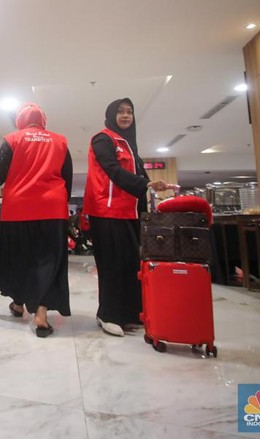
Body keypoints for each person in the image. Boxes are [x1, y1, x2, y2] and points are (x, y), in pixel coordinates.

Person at [83, 98, 166, 337]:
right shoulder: (103, 139)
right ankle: (108, 314)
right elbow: (112, 170)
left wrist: (151, 184)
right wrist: (144, 184)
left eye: (129, 112)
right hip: (106, 210)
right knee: (112, 264)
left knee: (130, 263)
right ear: (111, 115)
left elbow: (139, 171)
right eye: (121, 111)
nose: (126, 115)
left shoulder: (129, 144)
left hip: (128, 211)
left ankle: (129, 313)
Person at [0, 102, 73, 338]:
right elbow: (66, 177)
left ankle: (18, 304)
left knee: (19, 258)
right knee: (48, 262)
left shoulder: (12, 139)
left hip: (17, 210)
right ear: (43, 120)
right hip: (52, 210)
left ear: (21, 120)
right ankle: (41, 315)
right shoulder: (60, 141)